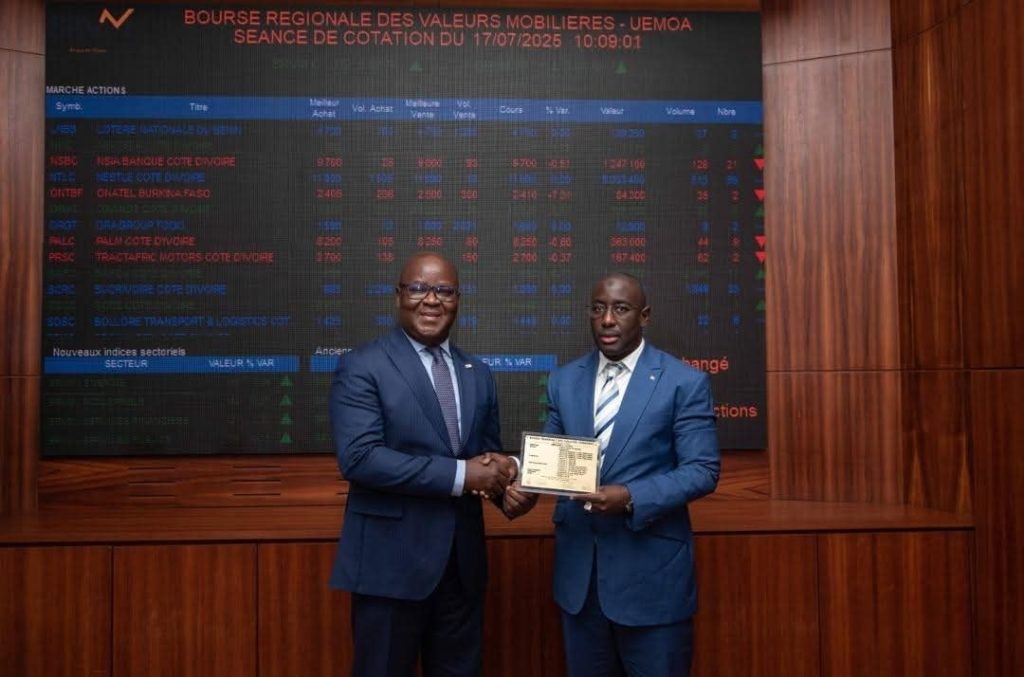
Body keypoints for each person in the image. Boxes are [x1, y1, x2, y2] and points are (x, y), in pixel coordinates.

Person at [505, 272, 720, 677]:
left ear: (644, 316)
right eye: (598, 308)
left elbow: (702, 470)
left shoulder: (684, 382)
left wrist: (631, 496)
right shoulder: (564, 380)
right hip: (580, 586)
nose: (607, 319)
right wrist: (519, 479)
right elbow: (551, 456)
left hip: (652, 584)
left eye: (620, 309)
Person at [329, 252, 517, 677]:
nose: (431, 300)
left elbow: (486, 459)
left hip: (461, 571)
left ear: (458, 300)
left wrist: (509, 492)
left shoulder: (478, 373)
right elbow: (360, 458)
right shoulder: (363, 365)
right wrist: (462, 474)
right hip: (390, 570)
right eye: (418, 288)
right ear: (398, 296)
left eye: (444, 291)